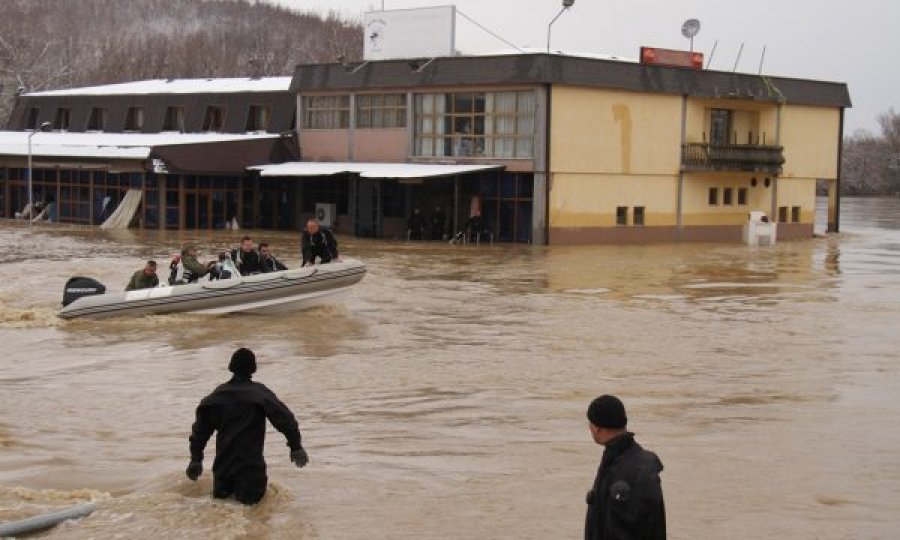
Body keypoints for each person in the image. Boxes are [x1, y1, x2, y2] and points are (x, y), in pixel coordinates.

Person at [186, 348, 309, 505]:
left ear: (230, 367)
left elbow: (199, 432)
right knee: (254, 518)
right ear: (254, 368)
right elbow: (286, 420)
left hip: (223, 470)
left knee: (224, 515)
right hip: (251, 469)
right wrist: (296, 446)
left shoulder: (215, 398)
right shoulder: (259, 394)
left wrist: (196, 459)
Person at [584, 395, 666, 540]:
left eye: (590, 423)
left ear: (597, 428)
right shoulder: (639, 461)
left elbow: (619, 530)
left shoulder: (619, 470)